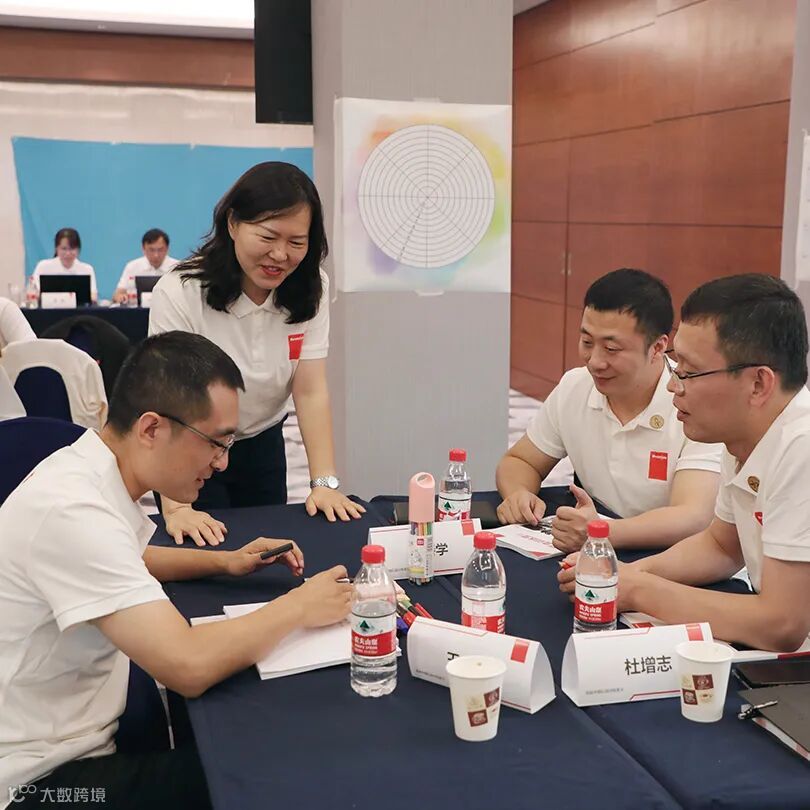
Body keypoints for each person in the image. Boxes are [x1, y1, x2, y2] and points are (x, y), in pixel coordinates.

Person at [0, 331, 352, 809]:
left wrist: (226, 561)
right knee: (269, 776)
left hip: (73, 725)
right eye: (215, 443)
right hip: (40, 780)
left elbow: (126, 557)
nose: (222, 463)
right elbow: (188, 665)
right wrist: (299, 607)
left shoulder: (89, 467)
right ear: (151, 429)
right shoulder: (72, 510)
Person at [559, 274, 810, 651]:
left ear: (758, 384)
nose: (673, 385)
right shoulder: (743, 433)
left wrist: (640, 590)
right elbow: (722, 546)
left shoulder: (801, 448)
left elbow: (782, 624)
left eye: (689, 373)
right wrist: (625, 573)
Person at [149, 161, 363, 546]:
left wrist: (324, 483)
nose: (280, 255)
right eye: (268, 236)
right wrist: (176, 505)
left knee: (265, 551)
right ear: (233, 224)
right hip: (192, 444)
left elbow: (310, 390)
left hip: (263, 441)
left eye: (296, 243)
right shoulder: (180, 291)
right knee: (203, 554)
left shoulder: (311, 288)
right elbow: (168, 400)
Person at [496, 268, 722, 552]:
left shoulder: (693, 402)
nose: (595, 361)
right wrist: (518, 493)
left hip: (674, 558)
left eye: (612, 349)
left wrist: (601, 532)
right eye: (587, 342)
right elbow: (520, 460)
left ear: (657, 347)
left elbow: (691, 516)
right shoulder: (576, 386)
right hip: (597, 549)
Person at [112, 228, 178, 304]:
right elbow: (118, 293)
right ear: (143, 248)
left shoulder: (177, 267)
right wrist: (120, 297)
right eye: (151, 250)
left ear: (167, 249)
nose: (156, 255)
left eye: (160, 250)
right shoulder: (132, 267)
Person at [32, 228, 98, 303]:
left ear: (78, 250)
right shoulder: (43, 266)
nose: (68, 253)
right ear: (56, 249)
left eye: (72, 249)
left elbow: (93, 296)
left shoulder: (87, 269)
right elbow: (34, 292)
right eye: (64, 249)